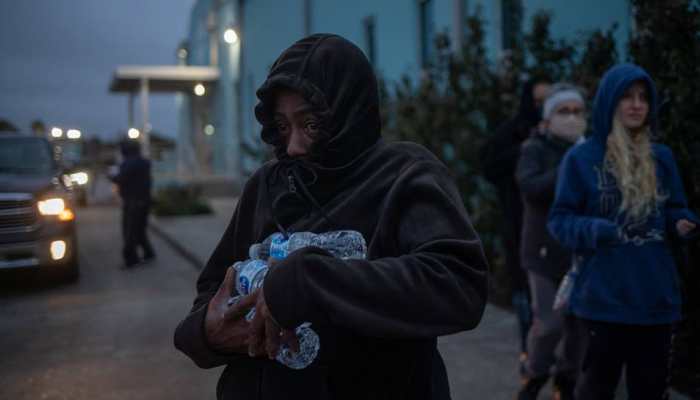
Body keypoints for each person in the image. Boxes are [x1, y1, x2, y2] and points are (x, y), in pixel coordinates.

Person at [173, 34, 488, 400]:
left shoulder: (404, 174)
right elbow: (210, 296)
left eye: (310, 125)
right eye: (283, 126)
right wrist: (207, 335)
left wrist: (310, 281)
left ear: (350, 113)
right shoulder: (266, 185)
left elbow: (457, 285)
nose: (292, 146)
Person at [548, 64, 699, 400]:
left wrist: (681, 223)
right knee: (595, 390)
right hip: (603, 300)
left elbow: (675, 207)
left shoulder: (661, 157)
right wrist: (594, 229)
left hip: (655, 299)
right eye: (627, 97)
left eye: (643, 98)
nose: (636, 104)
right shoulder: (582, 158)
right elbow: (559, 220)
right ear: (609, 102)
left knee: (650, 391)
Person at [515, 83, 587, 400]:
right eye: (563, 111)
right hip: (543, 254)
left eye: (577, 111)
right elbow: (532, 188)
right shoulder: (535, 149)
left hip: (580, 253)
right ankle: (534, 375)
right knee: (550, 325)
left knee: (580, 326)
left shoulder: (589, 151)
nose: (571, 118)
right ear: (548, 118)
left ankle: (566, 381)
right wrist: (570, 163)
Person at [480, 77, 551, 371]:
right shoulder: (513, 133)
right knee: (525, 296)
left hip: (560, 232)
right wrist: (526, 147)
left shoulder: (564, 134)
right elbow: (489, 164)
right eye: (537, 102)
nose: (542, 108)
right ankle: (530, 359)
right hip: (520, 226)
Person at [110, 140, 155, 268]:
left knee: (129, 231)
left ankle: (131, 259)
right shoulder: (143, 162)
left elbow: (120, 179)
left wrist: (111, 177)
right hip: (143, 201)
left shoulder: (130, 163)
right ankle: (148, 253)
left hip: (133, 202)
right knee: (139, 230)